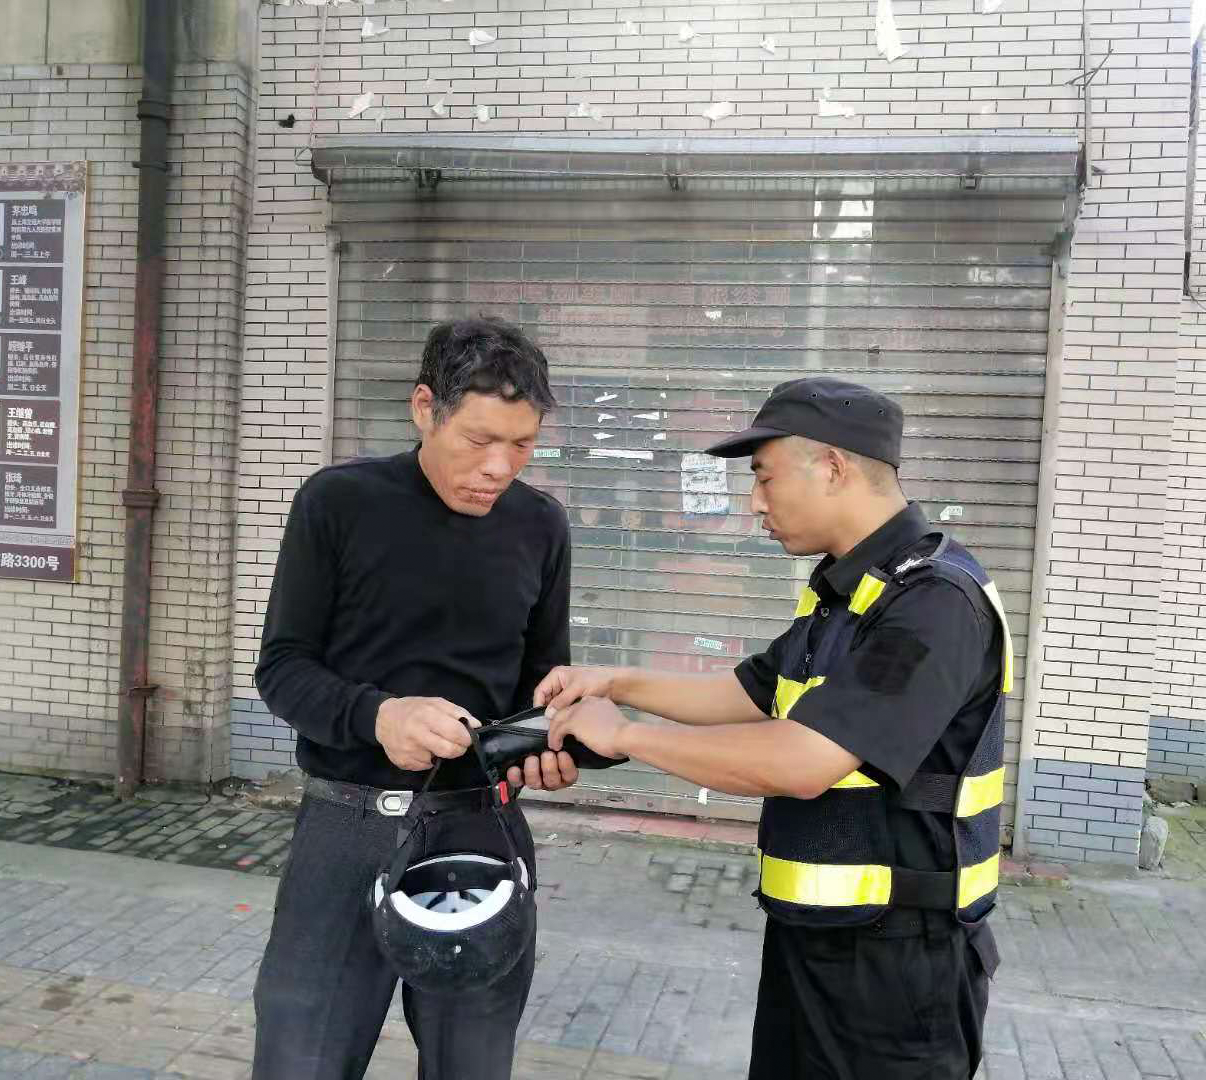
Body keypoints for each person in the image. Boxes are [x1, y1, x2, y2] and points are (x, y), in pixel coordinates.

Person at [539, 377, 1009, 1080]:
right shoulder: (848, 591)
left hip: (898, 969)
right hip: (817, 942)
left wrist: (627, 736)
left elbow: (804, 761)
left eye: (764, 477)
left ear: (834, 466)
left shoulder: (932, 602)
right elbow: (749, 690)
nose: (754, 502)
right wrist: (612, 682)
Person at [252, 316, 579, 1080]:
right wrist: (378, 716)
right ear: (424, 407)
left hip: (480, 828)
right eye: (478, 439)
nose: (499, 467)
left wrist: (546, 746)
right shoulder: (339, 502)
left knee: (473, 1062)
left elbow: (543, 681)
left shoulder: (541, 526)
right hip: (346, 825)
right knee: (302, 1056)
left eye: (522, 445)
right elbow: (282, 668)